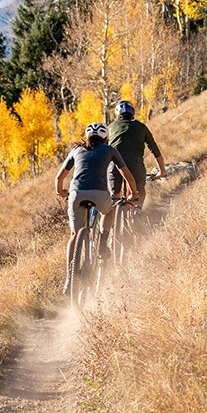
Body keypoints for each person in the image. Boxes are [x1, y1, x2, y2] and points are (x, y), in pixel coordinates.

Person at [55, 122, 138, 294]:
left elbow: (59, 177)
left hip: (76, 193)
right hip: (99, 193)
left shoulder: (76, 150)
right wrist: (134, 193)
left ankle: (69, 277)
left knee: (74, 235)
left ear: (87, 137)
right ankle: (102, 241)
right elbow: (126, 174)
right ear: (105, 137)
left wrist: (61, 192)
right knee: (109, 210)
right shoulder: (109, 150)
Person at [108, 100, 167, 218]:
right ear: (132, 113)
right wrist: (162, 170)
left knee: (115, 195)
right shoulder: (141, 127)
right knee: (139, 190)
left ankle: (112, 225)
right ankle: (137, 210)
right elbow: (154, 149)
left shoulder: (111, 127)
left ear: (117, 115)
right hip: (135, 162)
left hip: (113, 163)